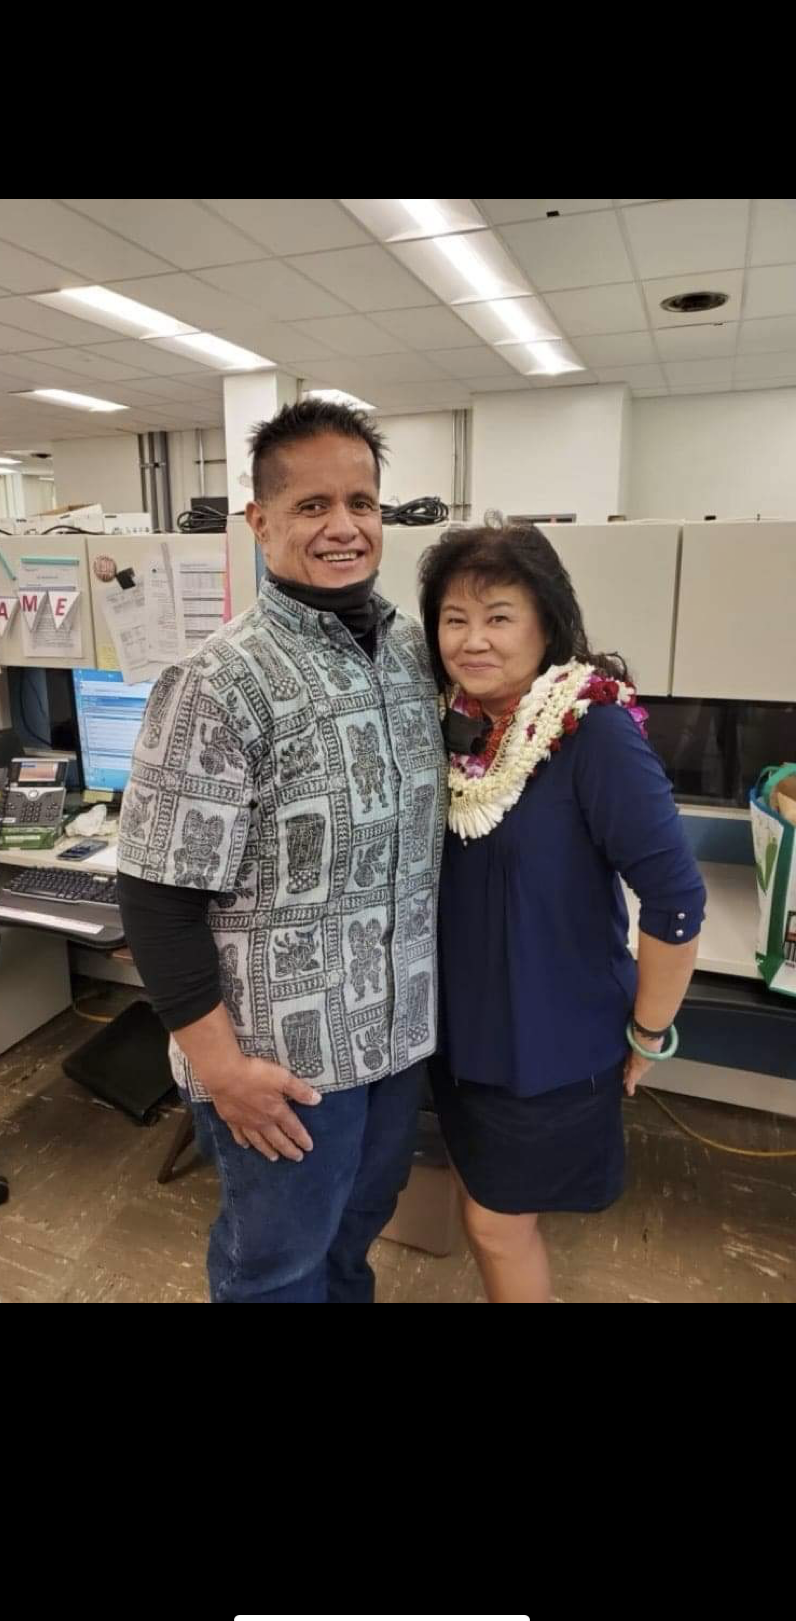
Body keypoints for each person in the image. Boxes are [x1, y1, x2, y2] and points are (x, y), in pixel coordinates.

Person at [117, 399, 446, 1303]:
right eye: (310, 506)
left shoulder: (418, 658)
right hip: (281, 1064)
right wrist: (222, 1071)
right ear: (259, 520)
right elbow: (156, 895)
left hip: (394, 1037)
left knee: (351, 1247)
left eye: (362, 502)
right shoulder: (216, 682)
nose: (343, 527)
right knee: (276, 1270)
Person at [418, 523, 706, 1304]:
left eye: (499, 616)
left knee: (496, 1225)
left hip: (544, 1046)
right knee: (488, 1214)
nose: (473, 641)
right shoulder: (451, 725)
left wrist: (650, 1032)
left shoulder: (594, 731)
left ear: (546, 622)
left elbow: (677, 901)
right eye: (454, 618)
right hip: (460, 1035)